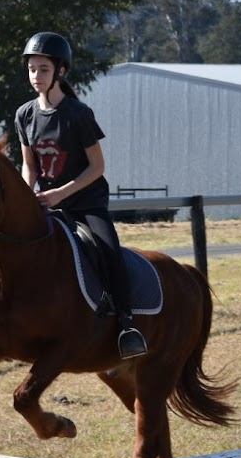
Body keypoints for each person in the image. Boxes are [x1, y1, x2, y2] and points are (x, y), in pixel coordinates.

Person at [14, 31, 148, 360]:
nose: (36, 76)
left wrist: (60, 193)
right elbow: (28, 166)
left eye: (43, 69)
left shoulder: (78, 114)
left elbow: (97, 167)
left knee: (109, 251)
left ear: (61, 71)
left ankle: (127, 326)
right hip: (45, 203)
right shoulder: (24, 115)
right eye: (32, 69)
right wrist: (27, 194)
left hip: (85, 204)